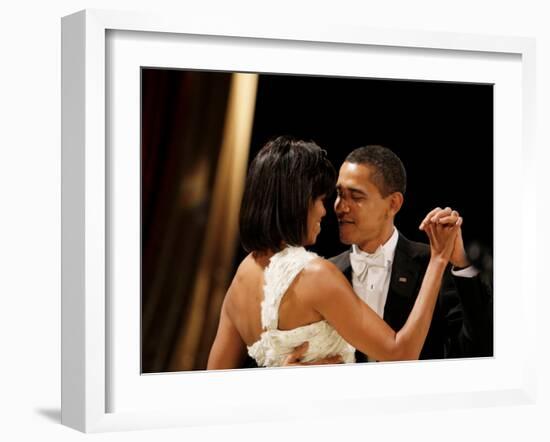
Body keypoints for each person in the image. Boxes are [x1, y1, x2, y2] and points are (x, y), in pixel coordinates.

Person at [207, 136, 462, 369]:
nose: (326, 211)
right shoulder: (316, 274)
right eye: (320, 199)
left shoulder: (242, 275)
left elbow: (215, 384)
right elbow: (401, 353)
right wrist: (439, 259)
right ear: (296, 202)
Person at [304, 145, 492, 363]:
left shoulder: (433, 264)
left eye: (355, 196)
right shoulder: (325, 272)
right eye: (339, 194)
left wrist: (461, 264)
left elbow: (480, 346)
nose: (339, 206)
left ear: (393, 203)